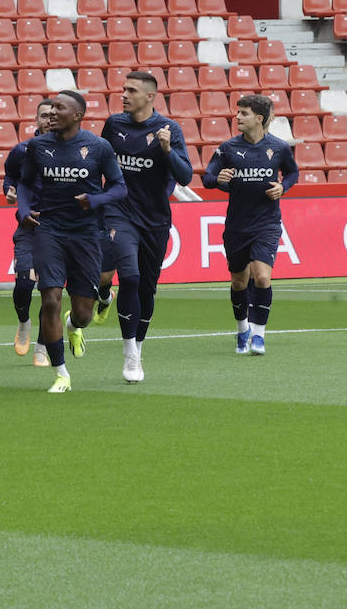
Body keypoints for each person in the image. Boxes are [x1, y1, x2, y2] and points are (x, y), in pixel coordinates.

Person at [17, 91, 126, 393]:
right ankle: (61, 373)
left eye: (58, 108)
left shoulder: (98, 147)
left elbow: (119, 188)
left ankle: (73, 327)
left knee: (83, 314)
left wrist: (95, 199)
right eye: (50, 108)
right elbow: (25, 183)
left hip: (88, 234)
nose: (51, 113)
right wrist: (24, 211)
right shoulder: (37, 147)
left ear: (77, 115)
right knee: (50, 298)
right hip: (49, 230)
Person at [96, 72, 193, 383]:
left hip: (154, 218)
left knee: (148, 286)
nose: (123, 94)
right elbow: (99, 164)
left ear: (150, 97)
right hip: (118, 213)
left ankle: (138, 346)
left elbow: (186, 176)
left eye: (131, 90)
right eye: (124, 89)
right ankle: (129, 354)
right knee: (131, 278)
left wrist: (167, 151)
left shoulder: (169, 129)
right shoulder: (113, 124)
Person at [201, 94, 299, 357]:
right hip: (236, 226)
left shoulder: (278, 148)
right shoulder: (227, 149)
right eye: (238, 113)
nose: (238, 117)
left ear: (259, 118)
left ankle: (259, 336)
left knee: (263, 277)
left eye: (243, 113)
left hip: (267, 223)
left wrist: (283, 187)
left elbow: (292, 172)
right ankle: (242, 328)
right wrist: (217, 179)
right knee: (239, 282)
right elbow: (207, 178)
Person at [4, 99, 55, 366]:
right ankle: (24, 321)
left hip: (58, 230)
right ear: (36, 120)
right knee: (24, 283)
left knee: (51, 293)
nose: (48, 119)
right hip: (28, 227)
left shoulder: (71, 149)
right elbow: (9, 177)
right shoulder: (22, 150)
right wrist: (9, 191)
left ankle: (42, 348)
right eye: (44, 115)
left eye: (52, 115)